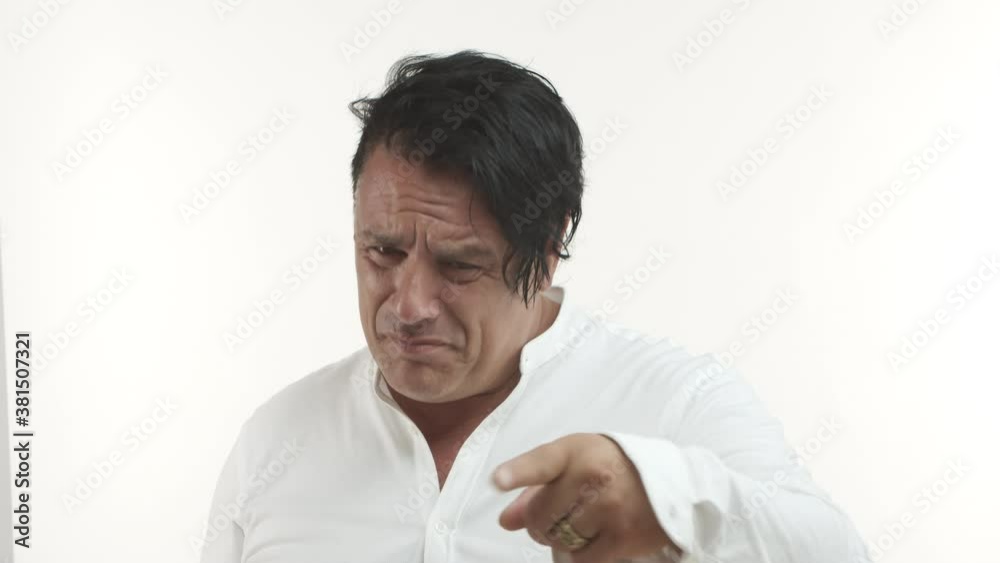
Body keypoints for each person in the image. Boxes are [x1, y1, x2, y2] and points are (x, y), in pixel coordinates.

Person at [196, 50, 870, 563]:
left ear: (549, 250)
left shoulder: (678, 403)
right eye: (383, 252)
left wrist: (674, 500)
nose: (409, 305)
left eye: (459, 264)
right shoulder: (275, 441)